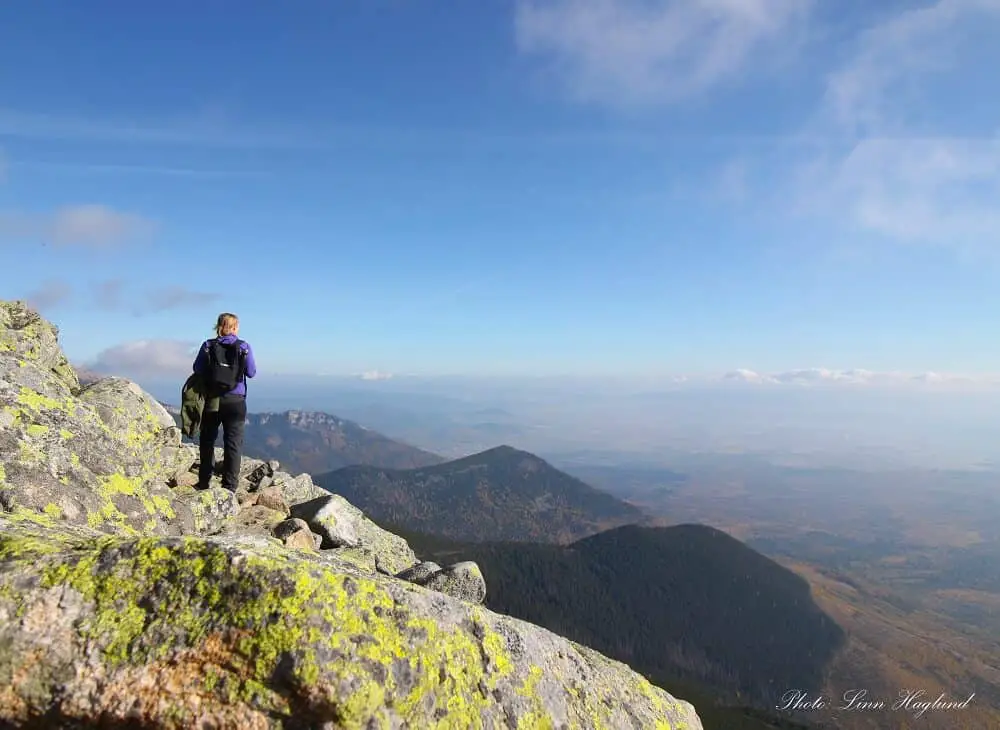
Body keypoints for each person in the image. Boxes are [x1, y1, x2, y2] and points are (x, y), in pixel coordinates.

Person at [192, 312, 257, 491]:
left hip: (212, 400)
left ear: (218, 326)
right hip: (235, 402)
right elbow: (251, 373)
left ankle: (204, 482)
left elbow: (197, 369)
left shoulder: (208, 345)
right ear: (235, 327)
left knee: (207, 441)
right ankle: (229, 487)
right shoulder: (244, 347)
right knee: (233, 444)